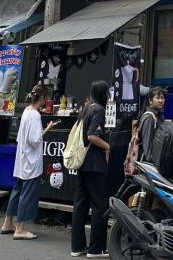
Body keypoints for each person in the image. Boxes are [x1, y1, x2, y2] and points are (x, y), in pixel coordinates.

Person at [1, 84, 60, 239]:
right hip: (31, 160)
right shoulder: (35, 115)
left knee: (18, 189)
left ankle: (8, 223)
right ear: (41, 98)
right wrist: (48, 128)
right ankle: (20, 229)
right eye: (45, 97)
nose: (46, 100)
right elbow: (34, 140)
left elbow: (23, 137)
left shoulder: (27, 111)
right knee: (28, 193)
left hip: (22, 157)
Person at [71, 80, 111, 259]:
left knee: (80, 205)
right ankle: (96, 249)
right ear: (103, 93)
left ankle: (77, 247)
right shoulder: (99, 110)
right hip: (95, 164)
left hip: (82, 163)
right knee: (100, 205)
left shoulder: (86, 109)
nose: (109, 96)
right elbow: (93, 136)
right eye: (108, 93)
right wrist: (107, 147)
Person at [138, 86, 165, 162]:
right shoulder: (149, 118)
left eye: (162, 98)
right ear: (150, 101)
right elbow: (147, 149)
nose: (161, 100)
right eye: (157, 98)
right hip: (149, 164)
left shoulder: (159, 115)